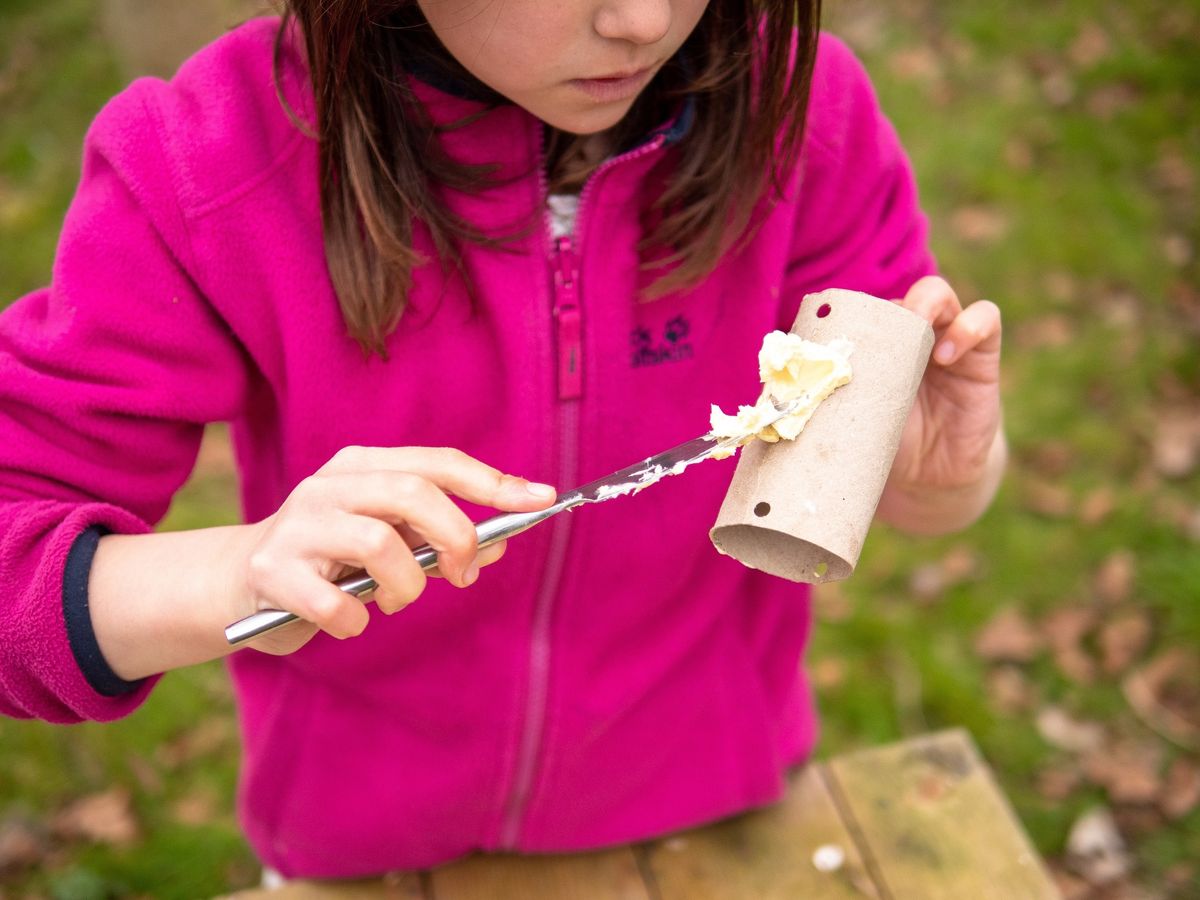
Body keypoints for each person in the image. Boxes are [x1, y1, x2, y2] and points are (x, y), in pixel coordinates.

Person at [0, 0, 1006, 881]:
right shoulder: (206, 161)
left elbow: (903, 495)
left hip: (720, 820)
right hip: (366, 856)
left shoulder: (803, 115)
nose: (642, 21)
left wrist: (945, 477)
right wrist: (237, 572)